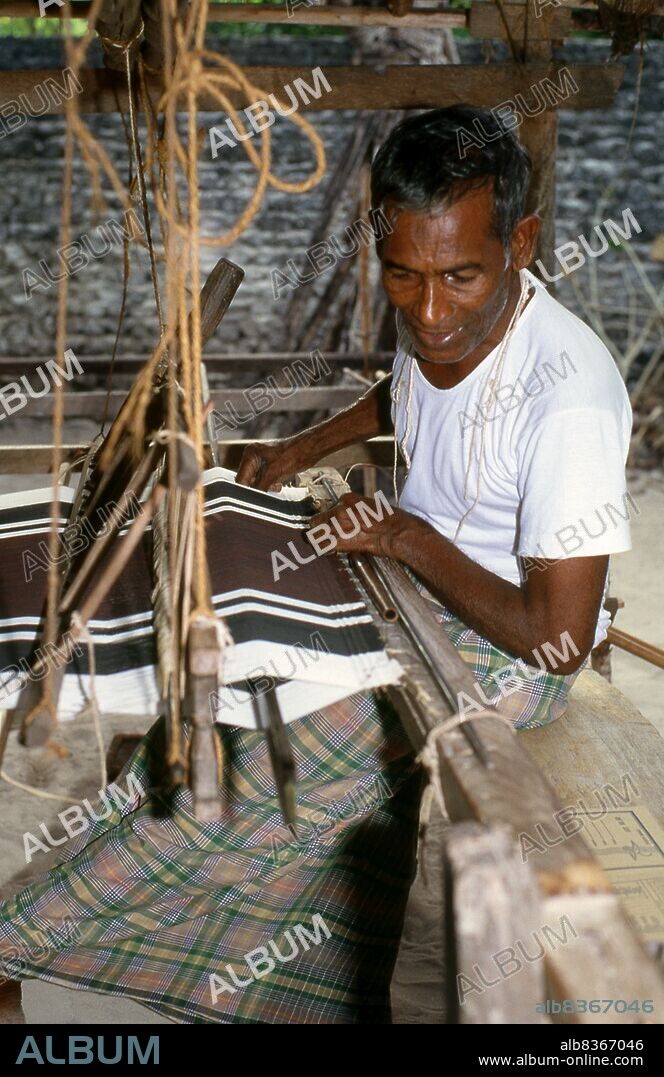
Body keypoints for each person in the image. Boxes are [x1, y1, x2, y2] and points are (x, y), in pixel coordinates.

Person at [0, 106, 631, 1025]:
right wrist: (295, 452)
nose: (427, 310)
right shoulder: (446, 326)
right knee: (200, 758)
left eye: (459, 276)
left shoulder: (566, 399)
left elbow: (561, 641)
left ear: (523, 242)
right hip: (409, 591)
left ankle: (16, 944)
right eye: (403, 275)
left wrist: (404, 538)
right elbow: (401, 389)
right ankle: (310, 991)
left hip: (501, 652)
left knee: (238, 788)